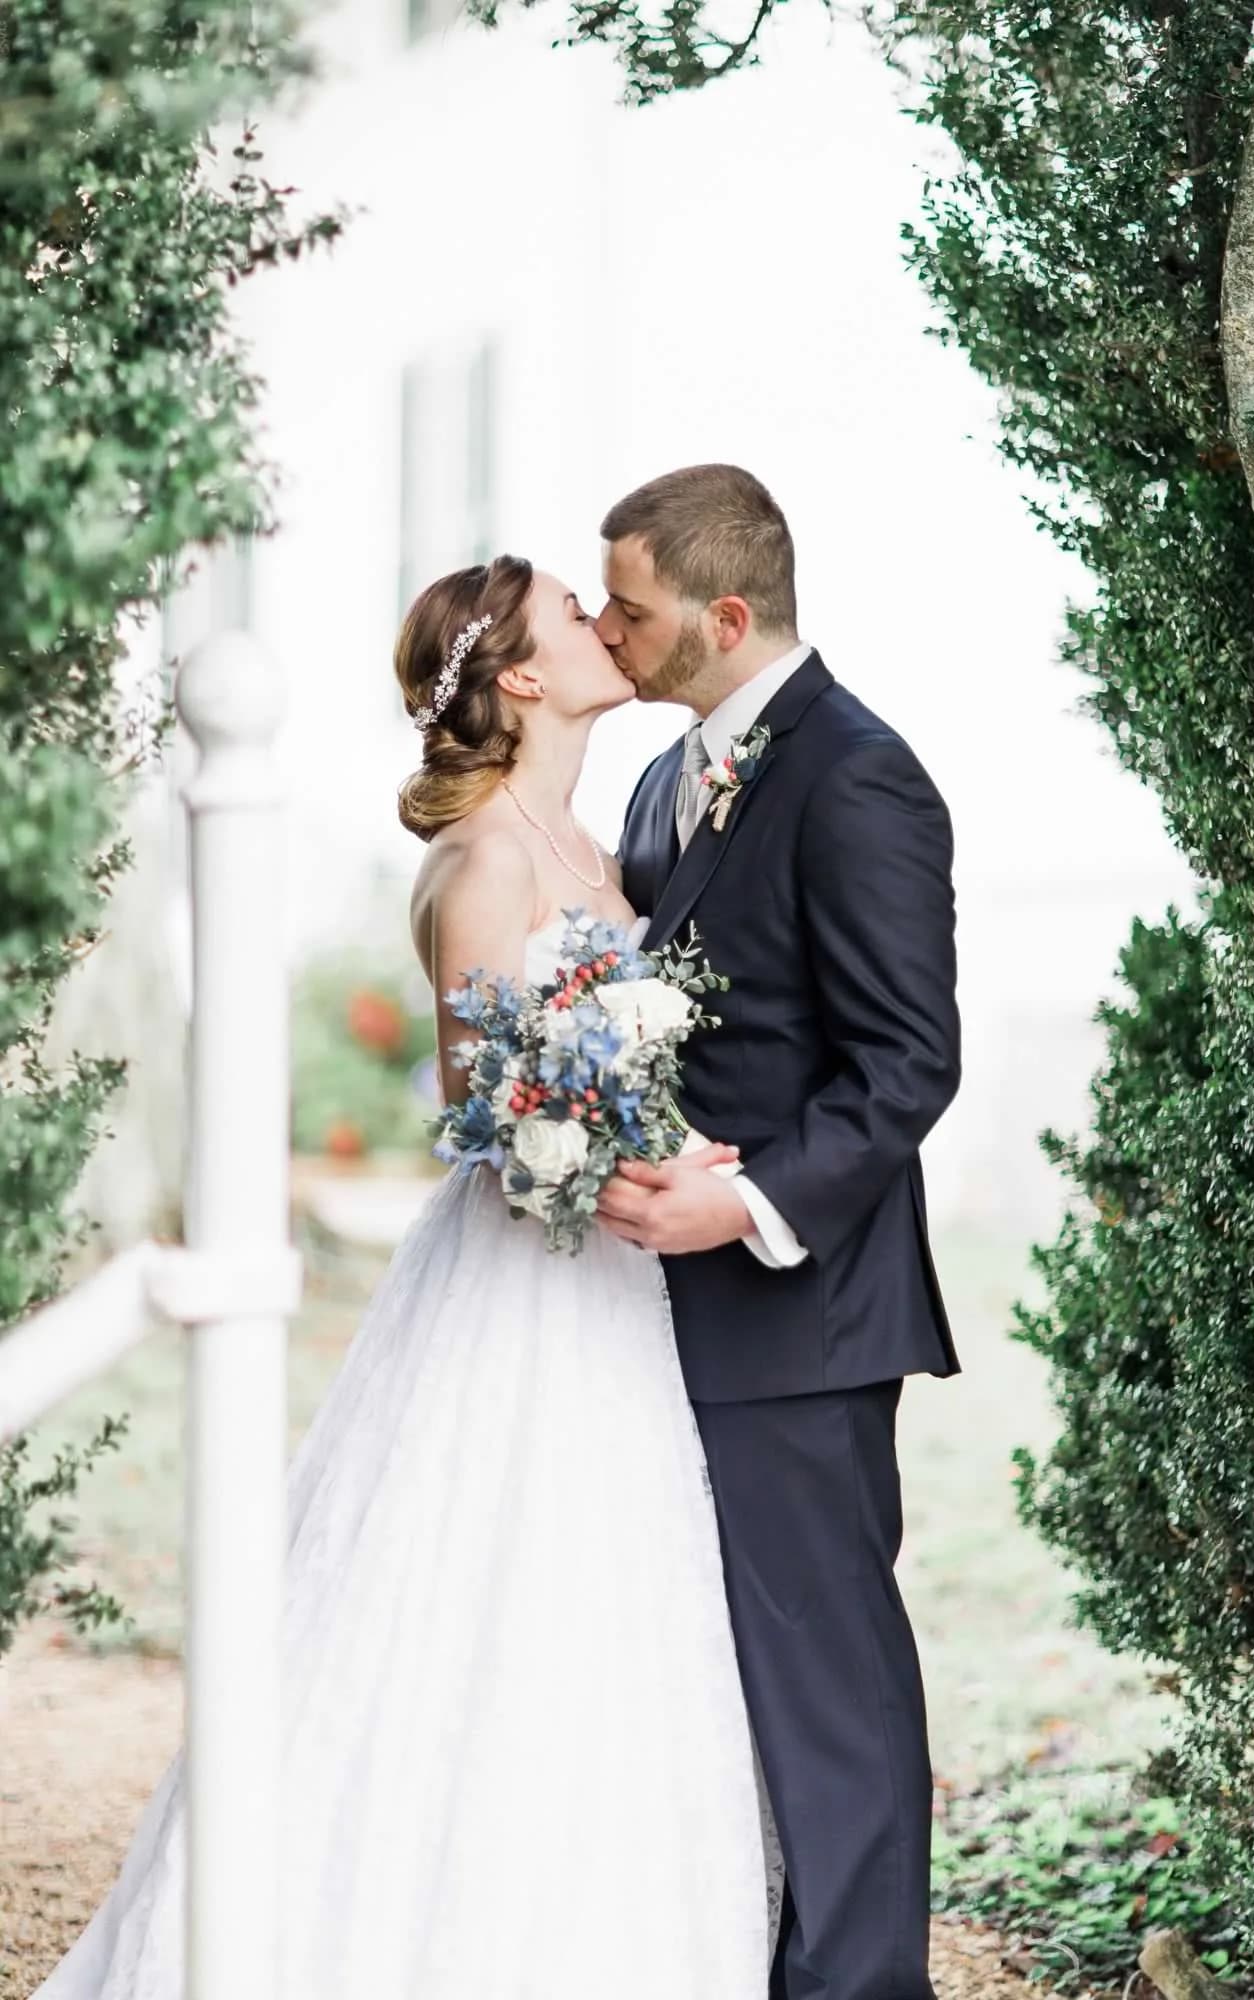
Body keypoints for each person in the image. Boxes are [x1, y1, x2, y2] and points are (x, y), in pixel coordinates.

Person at [28, 555, 773, 2000]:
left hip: (618, 1293)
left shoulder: (608, 847)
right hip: (521, 1282)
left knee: (612, 1607)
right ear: (520, 678)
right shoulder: (485, 858)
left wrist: (674, 1133)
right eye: (576, 613)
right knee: (461, 1593)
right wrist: (609, 1142)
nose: (604, 627)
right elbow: (486, 1105)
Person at [594, 462, 962, 2000]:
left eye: (632, 610)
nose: (606, 633)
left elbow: (906, 1063)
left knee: (827, 1687)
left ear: (724, 615)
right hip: (648, 1322)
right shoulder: (659, 779)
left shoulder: (859, 775)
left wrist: (738, 1200)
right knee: (708, 1678)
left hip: (798, 1318)